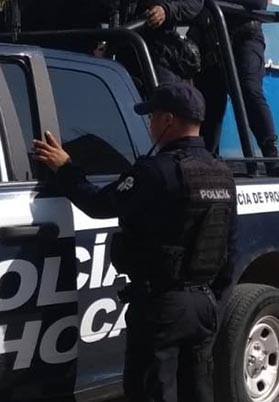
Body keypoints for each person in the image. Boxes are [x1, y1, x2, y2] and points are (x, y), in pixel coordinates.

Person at [33, 82, 237, 402]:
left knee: (151, 392)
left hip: (162, 305)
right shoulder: (222, 173)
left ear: (168, 120)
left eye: (152, 117)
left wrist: (66, 168)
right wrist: (216, 302)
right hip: (204, 304)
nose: (149, 124)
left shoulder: (156, 171)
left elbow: (99, 204)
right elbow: (230, 247)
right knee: (198, 391)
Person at [193, 0, 279, 176]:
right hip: (214, 38)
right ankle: (207, 157)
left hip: (246, 37)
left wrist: (214, 2)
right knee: (209, 98)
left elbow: (257, 0)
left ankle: (271, 156)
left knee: (249, 90)